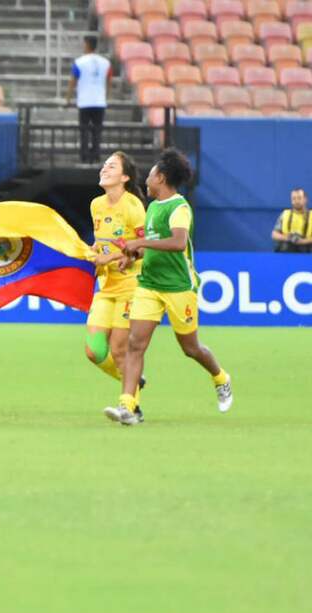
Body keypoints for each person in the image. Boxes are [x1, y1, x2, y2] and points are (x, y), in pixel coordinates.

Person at [104, 149, 233, 425]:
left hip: (177, 287)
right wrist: (133, 257)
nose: (147, 179)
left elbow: (176, 243)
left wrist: (139, 243)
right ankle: (128, 406)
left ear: (160, 178)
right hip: (149, 284)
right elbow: (152, 245)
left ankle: (221, 378)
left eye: (150, 174)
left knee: (191, 348)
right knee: (135, 345)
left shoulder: (179, 207)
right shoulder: (152, 207)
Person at [84, 152, 147, 418]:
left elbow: (143, 249)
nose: (104, 168)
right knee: (94, 351)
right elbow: (101, 243)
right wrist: (91, 253)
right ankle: (135, 381)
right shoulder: (96, 205)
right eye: (104, 165)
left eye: (111, 166)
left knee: (120, 348)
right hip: (106, 286)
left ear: (124, 177)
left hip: (130, 285)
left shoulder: (133, 206)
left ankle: (131, 405)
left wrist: (109, 257)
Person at [66, 35, 112, 164]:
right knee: (97, 131)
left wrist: (68, 98)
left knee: (84, 130)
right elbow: (109, 79)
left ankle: (84, 156)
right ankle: (96, 156)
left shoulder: (79, 62)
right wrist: (107, 96)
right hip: (99, 102)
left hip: (85, 102)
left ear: (87, 45)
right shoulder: (105, 62)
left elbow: (72, 81)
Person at [271, 188, 312, 253]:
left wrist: (302, 241)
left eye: (299, 198)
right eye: (294, 198)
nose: (296, 201)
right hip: (286, 251)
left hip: (307, 252)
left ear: (305, 199)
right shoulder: (285, 214)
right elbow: (274, 234)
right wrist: (288, 238)